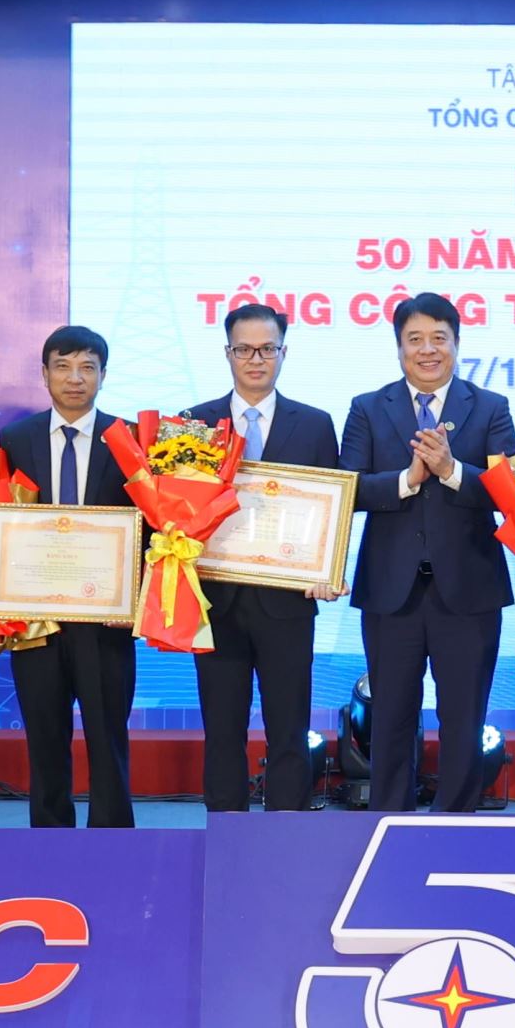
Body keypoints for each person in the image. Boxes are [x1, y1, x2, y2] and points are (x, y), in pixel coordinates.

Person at [342, 292, 515, 814]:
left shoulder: (490, 407)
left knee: (463, 716)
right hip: (390, 590)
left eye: (439, 338)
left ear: (457, 344)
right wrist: (406, 479)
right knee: (391, 714)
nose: (427, 350)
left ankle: (456, 820)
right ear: (399, 347)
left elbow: (511, 492)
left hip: (469, 589)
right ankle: (389, 819)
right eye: (414, 339)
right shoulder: (368, 408)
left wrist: (451, 471)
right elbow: (348, 488)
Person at [186, 302, 342, 812]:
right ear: (227, 353)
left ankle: (286, 832)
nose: (256, 360)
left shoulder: (315, 425)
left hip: (288, 602)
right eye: (244, 349)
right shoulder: (194, 424)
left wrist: (327, 569)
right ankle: (226, 833)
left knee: (290, 730)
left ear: (283, 353)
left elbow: (330, 509)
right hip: (216, 601)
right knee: (221, 730)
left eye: (267, 349)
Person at [0, 325, 137, 827]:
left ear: (102, 375)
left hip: (106, 618)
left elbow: (152, 524)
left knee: (108, 734)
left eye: (87, 368)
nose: (75, 378)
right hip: (36, 617)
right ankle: (50, 840)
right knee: (44, 734)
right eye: (63, 366)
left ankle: (113, 839)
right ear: (44, 374)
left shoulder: (130, 438)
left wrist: (135, 594)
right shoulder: (16, 440)